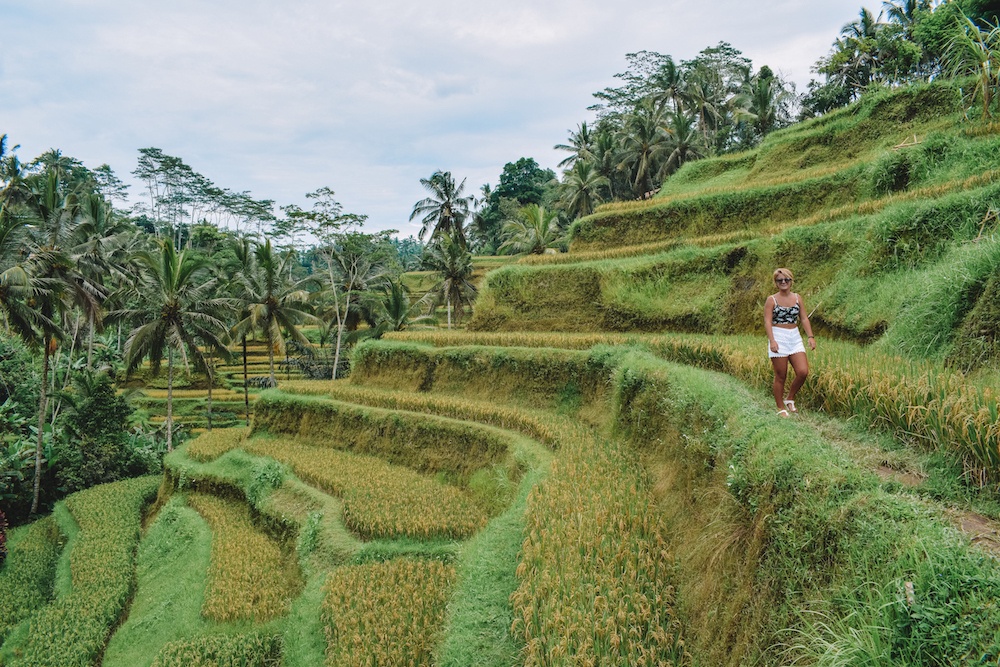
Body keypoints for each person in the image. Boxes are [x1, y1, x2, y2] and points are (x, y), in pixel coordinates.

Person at [763, 268, 815, 417]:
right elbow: (767, 321)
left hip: (794, 336)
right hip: (778, 336)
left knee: (803, 371)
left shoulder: (798, 298)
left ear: (791, 281)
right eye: (780, 280)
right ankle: (780, 408)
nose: (783, 282)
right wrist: (772, 340)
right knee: (781, 375)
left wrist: (810, 337)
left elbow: (804, 318)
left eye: (786, 280)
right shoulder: (771, 300)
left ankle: (790, 398)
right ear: (776, 283)